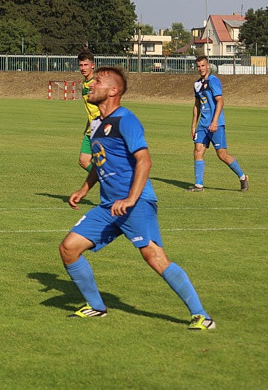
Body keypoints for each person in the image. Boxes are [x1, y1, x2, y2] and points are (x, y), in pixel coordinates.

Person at [59, 66, 215, 330]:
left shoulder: (126, 120)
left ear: (113, 90)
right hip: (109, 206)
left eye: (98, 81)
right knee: (69, 248)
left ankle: (202, 316)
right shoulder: (97, 124)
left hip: (136, 203)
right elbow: (100, 161)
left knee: (154, 257)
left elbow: (145, 161)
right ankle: (96, 306)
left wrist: (131, 199)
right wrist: (84, 189)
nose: (91, 85)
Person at [189, 55, 248, 192]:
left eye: (203, 65)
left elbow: (220, 101)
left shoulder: (214, 81)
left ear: (208, 66)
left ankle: (242, 176)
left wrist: (215, 121)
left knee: (222, 155)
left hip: (216, 125)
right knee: (197, 151)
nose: (201, 68)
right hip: (203, 125)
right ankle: (198, 185)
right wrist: (193, 126)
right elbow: (197, 105)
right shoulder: (197, 84)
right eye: (198, 66)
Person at [77, 50, 99, 172]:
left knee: (106, 162)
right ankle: (104, 180)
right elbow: (91, 110)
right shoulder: (85, 84)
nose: (83, 68)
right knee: (83, 160)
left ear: (92, 65)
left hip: (101, 128)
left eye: (86, 65)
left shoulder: (97, 83)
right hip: (91, 129)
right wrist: (86, 127)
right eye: (81, 65)